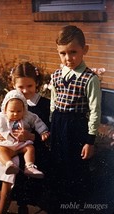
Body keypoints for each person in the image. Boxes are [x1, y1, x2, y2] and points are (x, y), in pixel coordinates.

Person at [0, 61, 50, 214]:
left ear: (37, 84)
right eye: (21, 87)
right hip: (6, 145)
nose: (25, 91)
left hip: (30, 149)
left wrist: (31, 136)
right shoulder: (10, 101)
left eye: (30, 86)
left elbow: (47, 132)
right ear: (13, 84)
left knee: (15, 169)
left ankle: (9, 205)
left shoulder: (43, 105)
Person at [49, 25, 101, 213]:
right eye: (62, 53)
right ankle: (60, 203)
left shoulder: (89, 78)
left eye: (73, 52)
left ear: (84, 50)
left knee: (75, 167)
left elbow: (95, 110)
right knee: (58, 164)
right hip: (58, 124)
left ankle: (76, 205)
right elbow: (53, 103)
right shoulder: (55, 75)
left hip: (76, 126)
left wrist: (90, 141)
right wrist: (50, 127)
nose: (68, 58)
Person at [0, 89, 49, 178]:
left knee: (30, 148)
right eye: (12, 111)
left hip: (22, 144)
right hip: (6, 144)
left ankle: (29, 166)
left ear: (24, 109)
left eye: (19, 111)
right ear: (5, 109)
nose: (15, 114)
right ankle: (9, 164)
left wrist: (43, 132)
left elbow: (37, 122)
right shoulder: (0, 117)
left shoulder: (28, 116)